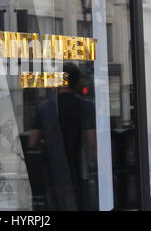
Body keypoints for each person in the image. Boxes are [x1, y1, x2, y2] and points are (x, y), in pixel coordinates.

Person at [28, 63, 97, 210]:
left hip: (53, 173)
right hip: (78, 173)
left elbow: (32, 142)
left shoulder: (45, 108)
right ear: (78, 82)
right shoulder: (87, 106)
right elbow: (92, 142)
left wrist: (48, 144)